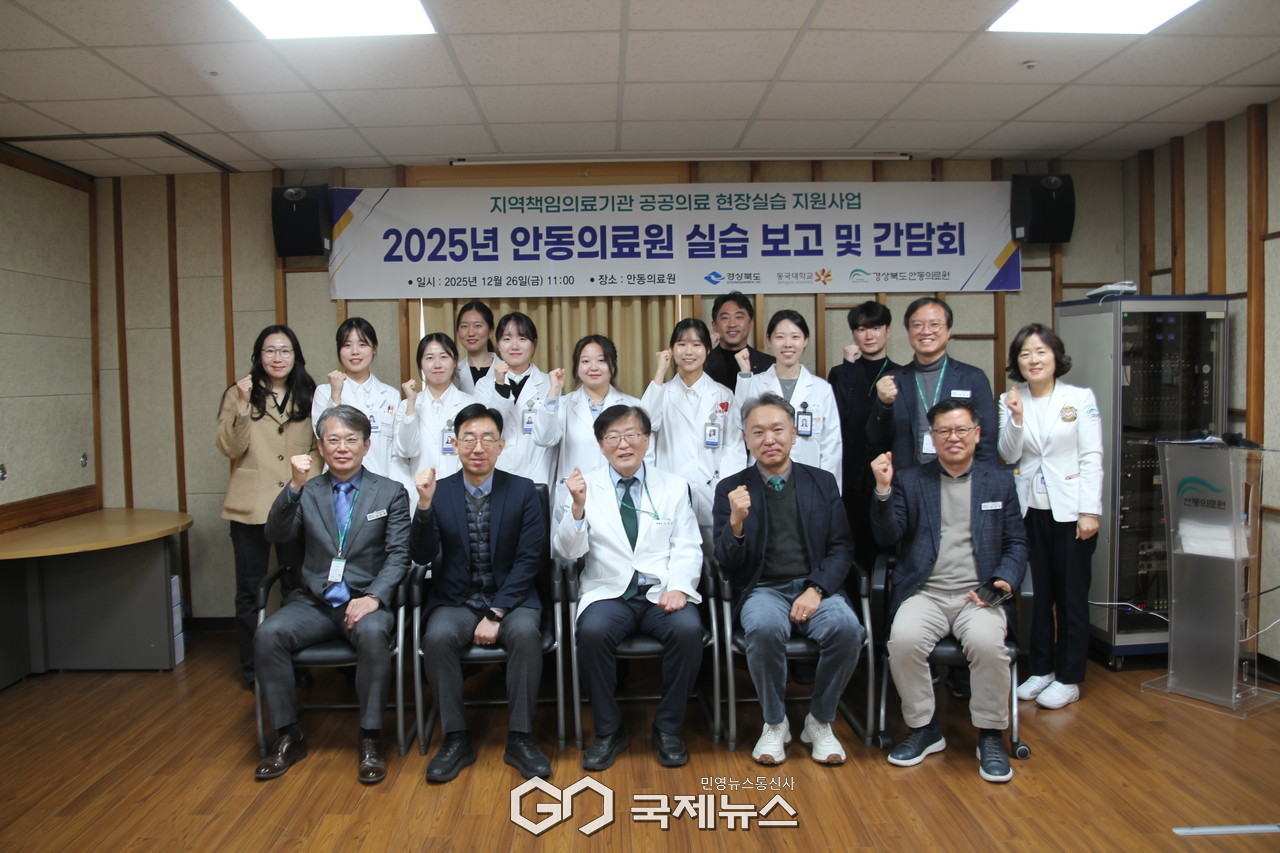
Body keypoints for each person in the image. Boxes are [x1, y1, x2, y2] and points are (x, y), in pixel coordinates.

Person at [870, 398, 1028, 784]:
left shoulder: (999, 481)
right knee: (903, 641)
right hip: (926, 592)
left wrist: (1004, 579)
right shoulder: (912, 480)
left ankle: (990, 735)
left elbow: (1016, 542)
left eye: (961, 430)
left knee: (989, 646)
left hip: (979, 595)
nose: (952, 437)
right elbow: (887, 536)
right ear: (932, 436)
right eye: (943, 430)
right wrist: (883, 490)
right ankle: (924, 728)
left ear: (977, 434)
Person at [254, 405, 411, 784]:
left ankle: (370, 736)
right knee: (268, 634)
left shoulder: (390, 492)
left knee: (373, 633)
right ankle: (288, 735)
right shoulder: (307, 491)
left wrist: (374, 597)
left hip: (365, 600)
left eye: (351, 439)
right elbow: (275, 534)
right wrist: (293, 486)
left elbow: (398, 555)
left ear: (366, 445)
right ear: (321, 447)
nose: (343, 448)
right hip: (315, 602)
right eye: (334, 440)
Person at [713, 393, 865, 766]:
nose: (769, 439)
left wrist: (817, 589)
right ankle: (775, 721)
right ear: (746, 439)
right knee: (764, 628)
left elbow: (842, 547)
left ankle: (820, 720)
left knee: (848, 629)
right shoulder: (731, 488)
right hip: (763, 589)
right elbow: (727, 562)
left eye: (778, 430)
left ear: (794, 434)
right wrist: (736, 522)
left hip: (816, 586)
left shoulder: (822, 482)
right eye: (758, 432)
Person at [553, 405, 704, 770]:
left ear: (647, 440)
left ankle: (668, 728)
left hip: (660, 591)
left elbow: (688, 545)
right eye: (613, 437)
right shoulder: (582, 486)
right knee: (592, 632)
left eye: (632, 435)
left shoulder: (673, 486)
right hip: (608, 592)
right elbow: (567, 552)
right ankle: (608, 731)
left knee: (688, 630)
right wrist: (577, 508)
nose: (623, 444)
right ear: (600, 445)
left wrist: (679, 587)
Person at [410, 403, 551, 783]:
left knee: (525, 634)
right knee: (438, 637)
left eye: (488, 438)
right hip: (457, 599)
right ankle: (455, 738)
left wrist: (496, 612)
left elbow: (530, 559)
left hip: (513, 598)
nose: (478, 447)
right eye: (468, 438)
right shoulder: (439, 492)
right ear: (454, 444)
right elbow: (421, 556)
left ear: (501, 445)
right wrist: (423, 506)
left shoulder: (523, 490)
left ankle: (521, 737)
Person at [998, 323, 1103, 710]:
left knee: (1071, 596)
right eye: (1025, 353)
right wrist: (1016, 418)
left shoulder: (1079, 398)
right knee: (1037, 595)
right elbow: (1008, 454)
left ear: (1056, 356)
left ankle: (1070, 676)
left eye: (1041, 351)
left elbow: (1091, 456)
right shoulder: (1010, 399)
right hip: (1029, 510)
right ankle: (1041, 669)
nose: (1033, 359)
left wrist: (1089, 510)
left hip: (1072, 511)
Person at [216, 324, 321, 689]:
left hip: (297, 500)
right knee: (250, 589)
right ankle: (253, 668)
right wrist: (244, 406)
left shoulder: (309, 392)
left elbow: (319, 447)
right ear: (259, 356)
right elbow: (229, 448)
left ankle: (296, 664)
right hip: (251, 504)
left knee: (297, 586)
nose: (278, 358)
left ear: (296, 356)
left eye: (285, 351)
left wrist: (306, 479)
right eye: (270, 351)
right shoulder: (240, 392)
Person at [640, 317, 746, 551]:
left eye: (697, 345)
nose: (689, 352)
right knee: (676, 557)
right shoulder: (662, 392)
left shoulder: (723, 395)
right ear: (672, 350)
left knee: (717, 558)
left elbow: (734, 448)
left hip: (713, 492)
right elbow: (645, 424)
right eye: (682, 344)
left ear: (707, 350)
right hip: (672, 493)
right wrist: (660, 372)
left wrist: (725, 490)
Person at [867, 296, 998, 470]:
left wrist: (984, 480)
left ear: (948, 330)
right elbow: (875, 441)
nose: (926, 331)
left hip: (960, 477)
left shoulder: (972, 377)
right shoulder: (892, 380)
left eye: (935, 324)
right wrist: (883, 404)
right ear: (908, 332)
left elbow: (987, 439)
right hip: (908, 479)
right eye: (917, 325)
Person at [734, 310, 842, 493]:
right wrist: (745, 375)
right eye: (780, 337)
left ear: (805, 340)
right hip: (762, 481)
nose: (788, 344)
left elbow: (831, 446)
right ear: (769, 340)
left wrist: (830, 493)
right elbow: (738, 424)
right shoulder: (755, 383)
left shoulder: (821, 389)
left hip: (810, 484)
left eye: (795, 337)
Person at [827, 301, 899, 573]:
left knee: (883, 543)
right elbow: (840, 414)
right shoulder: (841, 372)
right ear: (853, 334)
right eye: (860, 329)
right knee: (847, 543)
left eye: (876, 328)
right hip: (849, 473)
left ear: (888, 332)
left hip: (885, 473)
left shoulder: (900, 374)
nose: (868, 336)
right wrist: (849, 366)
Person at [533, 334, 651, 488]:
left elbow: (647, 454)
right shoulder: (562, 405)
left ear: (613, 366)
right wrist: (554, 391)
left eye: (601, 360)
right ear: (577, 367)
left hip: (621, 491)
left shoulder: (633, 405)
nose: (593, 367)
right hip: (574, 492)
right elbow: (543, 439)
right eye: (585, 361)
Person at [473, 311, 556, 487]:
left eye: (522, 339)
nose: (515, 346)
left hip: (536, 476)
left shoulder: (550, 383)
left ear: (534, 344)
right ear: (498, 344)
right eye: (507, 339)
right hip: (496, 475)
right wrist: (500, 386)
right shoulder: (484, 385)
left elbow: (549, 436)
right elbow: (488, 429)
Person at [312, 317, 401, 479]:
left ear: (374, 348)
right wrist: (335, 395)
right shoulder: (324, 392)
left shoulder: (391, 395)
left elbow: (397, 450)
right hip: (338, 482)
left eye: (362, 344)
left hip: (380, 482)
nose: (355, 351)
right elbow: (323, 436)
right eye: (347, 345)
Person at [392, 333, 477, 501]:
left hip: (460, 494)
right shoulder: (407, 405)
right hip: (419, 495)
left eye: (444, 357)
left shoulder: (470, 404)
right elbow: (406, 450)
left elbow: (474, 453)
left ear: (454, 362)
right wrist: (411, 404)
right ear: (420, 364)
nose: (437, 364)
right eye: (429, 358)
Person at [704, 291, 775, 391]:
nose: (732, 324)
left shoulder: (770, 365)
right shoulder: (702, 364)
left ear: (751, 324)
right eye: (725, 318)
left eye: (739, 317)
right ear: (714, 325)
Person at [452, 301, 500, 395]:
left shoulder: (507, 369)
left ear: (491, 331)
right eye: (464, 326)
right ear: (457, 332)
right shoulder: (452, 372)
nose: (471, 333)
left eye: (478, 326)